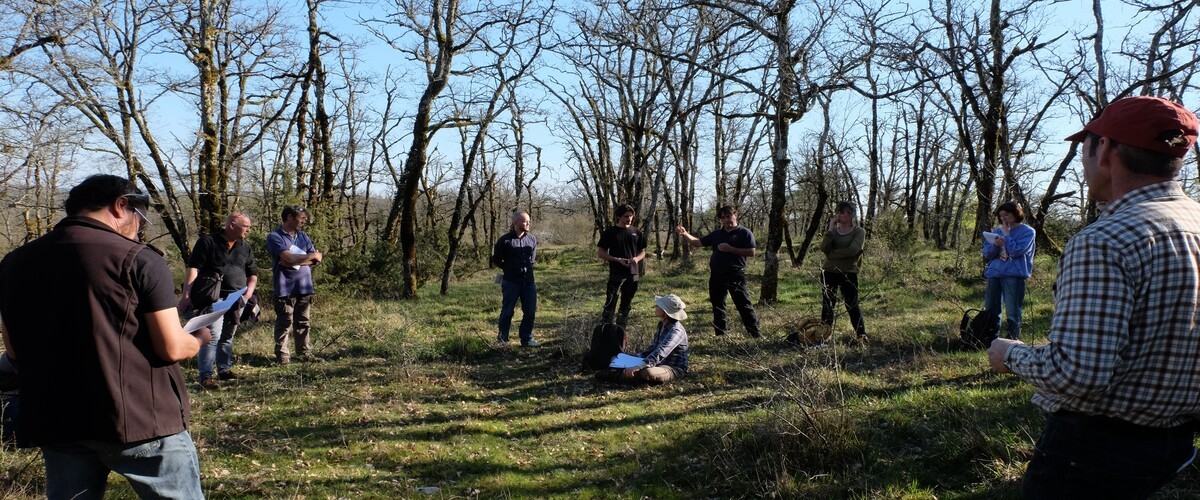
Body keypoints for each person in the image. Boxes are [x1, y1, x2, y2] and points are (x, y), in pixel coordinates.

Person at [987, 96, 1200, 499]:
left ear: (1105, 150)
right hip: (1175, 443)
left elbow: (1079, 374)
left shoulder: (1106, 241)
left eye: (1086, 145)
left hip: (1096, 450)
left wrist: (1009, 354)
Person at [0, 174, 210, 498]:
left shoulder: (14, 263)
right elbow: (171, 347)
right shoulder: (139, 259)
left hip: (56, 420)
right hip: (138, 417)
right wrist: (197, 338)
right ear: (121, 205)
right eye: (141, 217)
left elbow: (14, 352)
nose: (140, 227)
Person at [181, 211, 258, 389]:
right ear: (232, 224)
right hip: (213, 298)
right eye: (246, 226)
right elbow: (194, 269)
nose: (248, 230)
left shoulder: (245, 247)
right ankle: (205, 376)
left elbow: (252, 273)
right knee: (212, 336)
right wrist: (186, 295)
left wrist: (248, 294)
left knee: (228, 335)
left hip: (237, 298)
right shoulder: (208, 242)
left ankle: (224, 369)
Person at [675, 205, 762, 338]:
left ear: (735, 215)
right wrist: (685, 234)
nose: (727, 219)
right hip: (716, 275)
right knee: (718, 305)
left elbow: (751, 252)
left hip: (735, 274)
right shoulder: (717, 234)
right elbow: (698, 243)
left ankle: (756, 334)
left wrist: (730, 249)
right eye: (723, 217)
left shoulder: (744, 233)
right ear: (721, 220)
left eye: (729, 216)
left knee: (743, 305)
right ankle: (721, 335)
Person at [267, 205, 323, 364]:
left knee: (303, 322)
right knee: (284, 322)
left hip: (305, 287)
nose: (304, 221)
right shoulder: (274, 236)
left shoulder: (304, 236)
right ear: (289, 218)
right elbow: (289, 258)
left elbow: (316, 259)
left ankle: (304, 353)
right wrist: (309, 257)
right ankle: (283, 357)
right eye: (301, 218)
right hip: (284, 288)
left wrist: (305, 258)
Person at [980, 201, 1035, 340]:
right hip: (994, 273)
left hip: (1014, 275)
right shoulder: (997, 231)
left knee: (1012, 310)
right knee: (991, 308)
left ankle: (1012, 340)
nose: (1003, 218)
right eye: (1001, 215)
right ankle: (991, 339)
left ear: (1016, 214)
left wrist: (1007, 236)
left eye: (1007, 214)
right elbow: (987, 253)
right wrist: (995, 245)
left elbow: (1016, 251)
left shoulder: (1028, 232)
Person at [819, 202, 868, 343]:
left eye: (842, 212)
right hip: (829, 272)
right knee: (828, 304)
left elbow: (854, 250)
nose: (838, 215)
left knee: (851, 304)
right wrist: (830, 229)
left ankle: (861, 335)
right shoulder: (833, 232)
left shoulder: (859, 232)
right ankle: (824, 336)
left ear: (851, 214)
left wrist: (832, 254)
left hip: (848, 272)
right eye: (837, 212)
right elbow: (824, 247)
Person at [492, 211, 540, 347]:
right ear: (515, 223)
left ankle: (526, 339)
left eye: (529, 221)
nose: (528, 223)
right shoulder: (505, 240)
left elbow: (532, 260)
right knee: (507, 311)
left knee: (530, 312)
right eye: (525, 221)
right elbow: (496, 260)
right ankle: (502, 340)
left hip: (529, 282)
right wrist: (509, 268)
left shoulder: (532, 239)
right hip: (511, 282)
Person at [597, 203, 648, 327]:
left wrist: (637, 258)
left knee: (626, 303)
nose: (629, 218)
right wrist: (617, 259)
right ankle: (606, 330)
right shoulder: (610, 232)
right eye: (626, 216)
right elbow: (601, 253)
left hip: (633, 273)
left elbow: (642, 252)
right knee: (611, 302)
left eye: (631, 216)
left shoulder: (637, 232)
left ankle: (621, 330)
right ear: (619, 217)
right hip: (616, 273)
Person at [621, 294, 689, 383]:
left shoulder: (676, 331)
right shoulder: (662, 325)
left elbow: (661, 352)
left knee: (648, 372)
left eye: (658, 306)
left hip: (672, 368)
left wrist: (639, 366)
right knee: (619, 359)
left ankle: (616, 376)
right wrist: (638, 355)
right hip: (657, 364)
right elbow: (654, 347)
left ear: (665, 312)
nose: (656, 307)